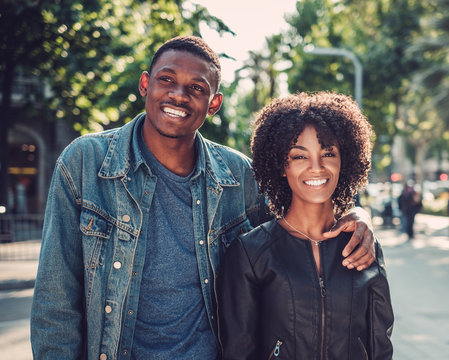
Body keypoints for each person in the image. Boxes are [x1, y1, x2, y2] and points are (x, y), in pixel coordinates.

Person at [30, 36, 376, 359]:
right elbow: (55, 302)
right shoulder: (86, 162)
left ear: (213, 104)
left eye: (196, 88)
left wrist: (355, 216)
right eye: (167, 80)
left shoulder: (239, 176)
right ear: (145, 84)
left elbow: (300, 219)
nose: (179, 95)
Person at [218, 92, 394, 359]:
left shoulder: (362, 245)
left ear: (343, 160)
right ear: (281, 165)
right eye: (300, 156)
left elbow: (380, 346)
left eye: (328, 153)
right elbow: (238, 352)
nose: (317, 167)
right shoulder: (250, 253)